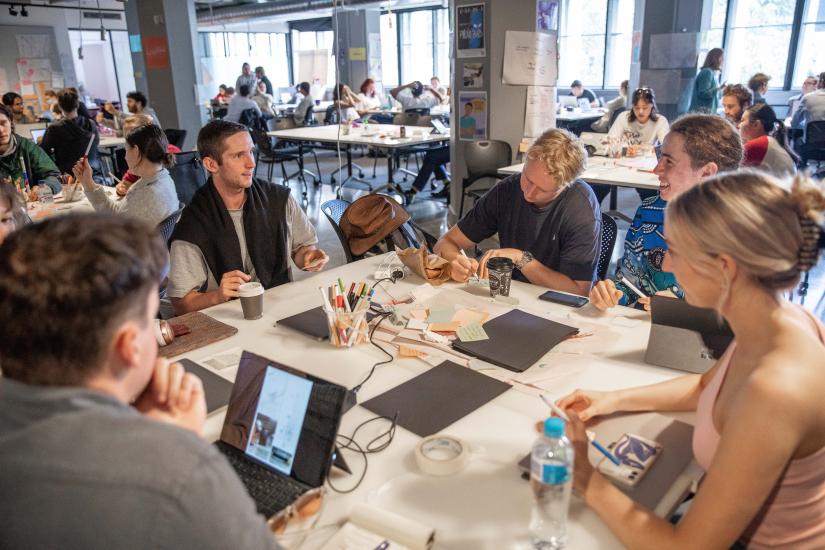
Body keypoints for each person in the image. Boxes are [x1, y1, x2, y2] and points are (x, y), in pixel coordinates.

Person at [558, 172, 825, 549]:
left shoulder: (775, 389)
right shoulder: (776, 319)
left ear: (725, 268)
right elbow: (706, 387)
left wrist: (586, 477)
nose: (666, 265)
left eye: (674, 250)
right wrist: (612, 399)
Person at [0, 214, 284, 550]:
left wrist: (138, 429)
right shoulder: (179, 477)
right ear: (129, 346)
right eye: (150, 318)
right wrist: (177, 447)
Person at [168, 120, 329, 315]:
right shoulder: (193, 224)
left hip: (280, 308)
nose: (251, 163)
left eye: (251, 151)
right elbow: (181, 303)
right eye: (238, 155)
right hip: (227, 319)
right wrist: (217, 296)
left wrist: (308, 256)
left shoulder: (279, 199)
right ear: (211, 164)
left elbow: (302, 249)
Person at [589, 114, 743, 311]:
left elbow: (748, 315)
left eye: (669, 161)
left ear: (706, 173)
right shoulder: (650, 211)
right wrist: (610, 293)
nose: (656, 169)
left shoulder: (744, 232)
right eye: (659, 156)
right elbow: (630, 281)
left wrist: (686, 308)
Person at [434, 128, 601, 295]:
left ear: (565, 186)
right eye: (527, 178)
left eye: (542, 190)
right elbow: (445, 242)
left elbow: (579, 291)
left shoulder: (581, 209)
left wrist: (521, 258)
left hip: (557, 303)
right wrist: (454, 261)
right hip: (512, 293)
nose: (529, 193)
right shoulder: (507, 190)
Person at [74, 124, 179, 228]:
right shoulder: (164, 179)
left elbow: (114, 223)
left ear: (136, 151)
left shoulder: (146, 193)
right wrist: (88, 182)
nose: (125, 157)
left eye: (126, 150)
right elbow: (117, 213)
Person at [39, 88, 102, 177]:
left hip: (68, 175)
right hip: (92, 171)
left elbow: (43, 152)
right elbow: (96, 143)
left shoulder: (54, 129)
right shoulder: (91, 124)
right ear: (77, 104)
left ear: (59, 106)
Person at [0, 104, 61, 194]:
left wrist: (44, 188)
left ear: (10, 121)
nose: (1, 130)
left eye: (3, 123)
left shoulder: (27, 147)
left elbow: (53, 175)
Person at [740, 103, 799, 179]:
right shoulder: (770, 143)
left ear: (756, 125)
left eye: (742, 120)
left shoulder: (758, 145)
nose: (739, 125)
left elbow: (730, 175)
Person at [97, 91, 162, 134]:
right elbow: (121, 125)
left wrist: (115, 112)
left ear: (139, 103)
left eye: (130, 101)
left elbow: (137, 120)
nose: (127, 104)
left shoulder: (148, 115)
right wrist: (103, 121)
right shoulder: (136, 116)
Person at [689, 47, 724, 113]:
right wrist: (719, 88)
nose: (723, 60)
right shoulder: (707, 72)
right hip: (700, 113)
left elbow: (715, 96)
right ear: (715, 58)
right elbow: (703, 93)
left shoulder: (713, 74)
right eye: (721, 57)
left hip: (706, 113)